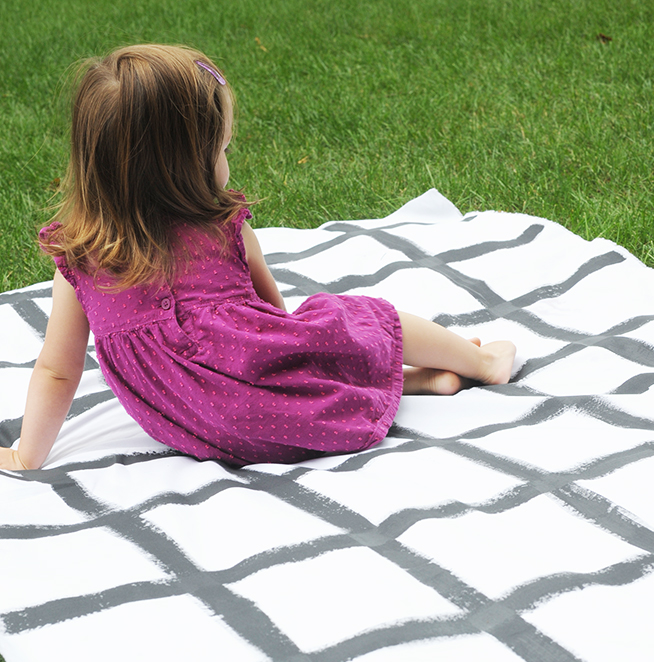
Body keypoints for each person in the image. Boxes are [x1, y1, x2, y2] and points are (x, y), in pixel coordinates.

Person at [0, 44, 516, 472]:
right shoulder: (224, 227)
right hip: (287, 422)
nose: (228, 159)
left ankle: (419, 380)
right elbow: (277, 322)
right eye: (223, 149)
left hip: (209, 432)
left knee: (261, 373)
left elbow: (57, 371)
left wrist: (27, 455)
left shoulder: (80, 254)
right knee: (348, 318)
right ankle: (481, 362)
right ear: (182, 169)